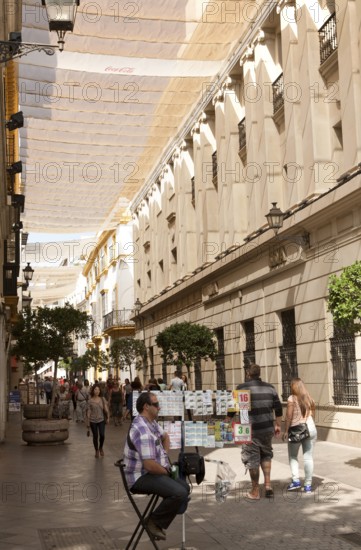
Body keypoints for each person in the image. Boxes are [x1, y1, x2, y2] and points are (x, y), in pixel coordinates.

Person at [123, 392, 190, 541]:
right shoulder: (142, 430)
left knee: (185, 487)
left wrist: (164, 459)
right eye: (156, 404)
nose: (159, 407)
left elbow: (165, 437)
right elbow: (149, 466)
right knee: (179, 493)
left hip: (151, 471)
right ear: (146, 407)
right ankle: (153, 522)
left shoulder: (150, 422)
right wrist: (166, 471)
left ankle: (162, 517)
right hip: (140, 477)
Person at [228, 363, 282, 500]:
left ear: (248, 374)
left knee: (252, 459)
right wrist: (278, 425)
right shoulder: (270, 388)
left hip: (247, 429)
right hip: (267, 428)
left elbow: (233, 409)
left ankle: (255, 491)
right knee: (266, 455)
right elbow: (278, 408)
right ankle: (268, 486)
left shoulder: (241, 388)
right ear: (259, 374)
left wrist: (226, 421)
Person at [283, 377, 317, 493]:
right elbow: (313, 415)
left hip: (296, 430)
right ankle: (308, 485)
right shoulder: (309, 398)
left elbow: (288, 416)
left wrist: (286, 431)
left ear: (293, 387)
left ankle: (296, 481)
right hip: (310, 428)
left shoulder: (292, 399)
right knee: (308, 457)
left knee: (293, 456)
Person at [86, 384, 109, 458]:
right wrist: (88, 418)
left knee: (102, 435)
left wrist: (108, 417)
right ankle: (96, 450)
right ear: (93, 390)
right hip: (93, 421)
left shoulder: (102, 399)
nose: (97, 391)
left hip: (101, 419)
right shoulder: (90, 401)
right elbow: (89, 410)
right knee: (95, 436)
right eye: (95, 389)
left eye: (98, 390)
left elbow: (106, 409)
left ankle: (101, 447)